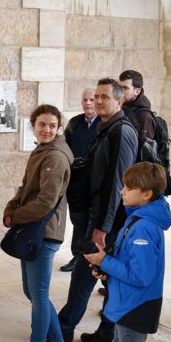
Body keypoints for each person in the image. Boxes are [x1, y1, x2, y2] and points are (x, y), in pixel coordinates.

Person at [85, 162, 171, 342]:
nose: (122, 192)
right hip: (125, 301)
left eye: (129, 187)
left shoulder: (145, 228)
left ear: (146, 194)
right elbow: (128, 263)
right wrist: (106, 267)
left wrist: (106, 262)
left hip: (137, 304)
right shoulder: (136, 218)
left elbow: (141, 275)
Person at [57, 78, 138, 342]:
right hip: (100, 216)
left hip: (108, 221)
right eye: (97, 96)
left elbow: (117, 183)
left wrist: (101, 227)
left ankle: (64, 329)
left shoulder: (120, 132)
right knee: (103, 275)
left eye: (105, 97)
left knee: (84, 272)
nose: (98, 101)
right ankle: (107, 331)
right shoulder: (108, 128)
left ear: (119, 101)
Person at [5, 105, 73, 342]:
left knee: (39, 294)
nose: (46, 129)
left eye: (52, 126)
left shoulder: (54, 157)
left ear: (58, 128)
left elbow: (45, 201)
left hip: (44, 231)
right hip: (37, 228)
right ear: (33, 125)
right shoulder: (42, 150)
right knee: (33, 292)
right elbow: (27, 186)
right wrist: (13, 205)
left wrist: (16, 216)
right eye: (42, 124)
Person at [59, 88, 98, 272]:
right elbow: (65, 146)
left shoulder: (105, 123)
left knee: (93, 223)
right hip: (76, 183)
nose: (88, 103)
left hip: (95, 183)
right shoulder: (74, 123)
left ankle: (92, 259)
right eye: (85, 99)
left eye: (92, 99)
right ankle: (78, 256)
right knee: (78, 221)